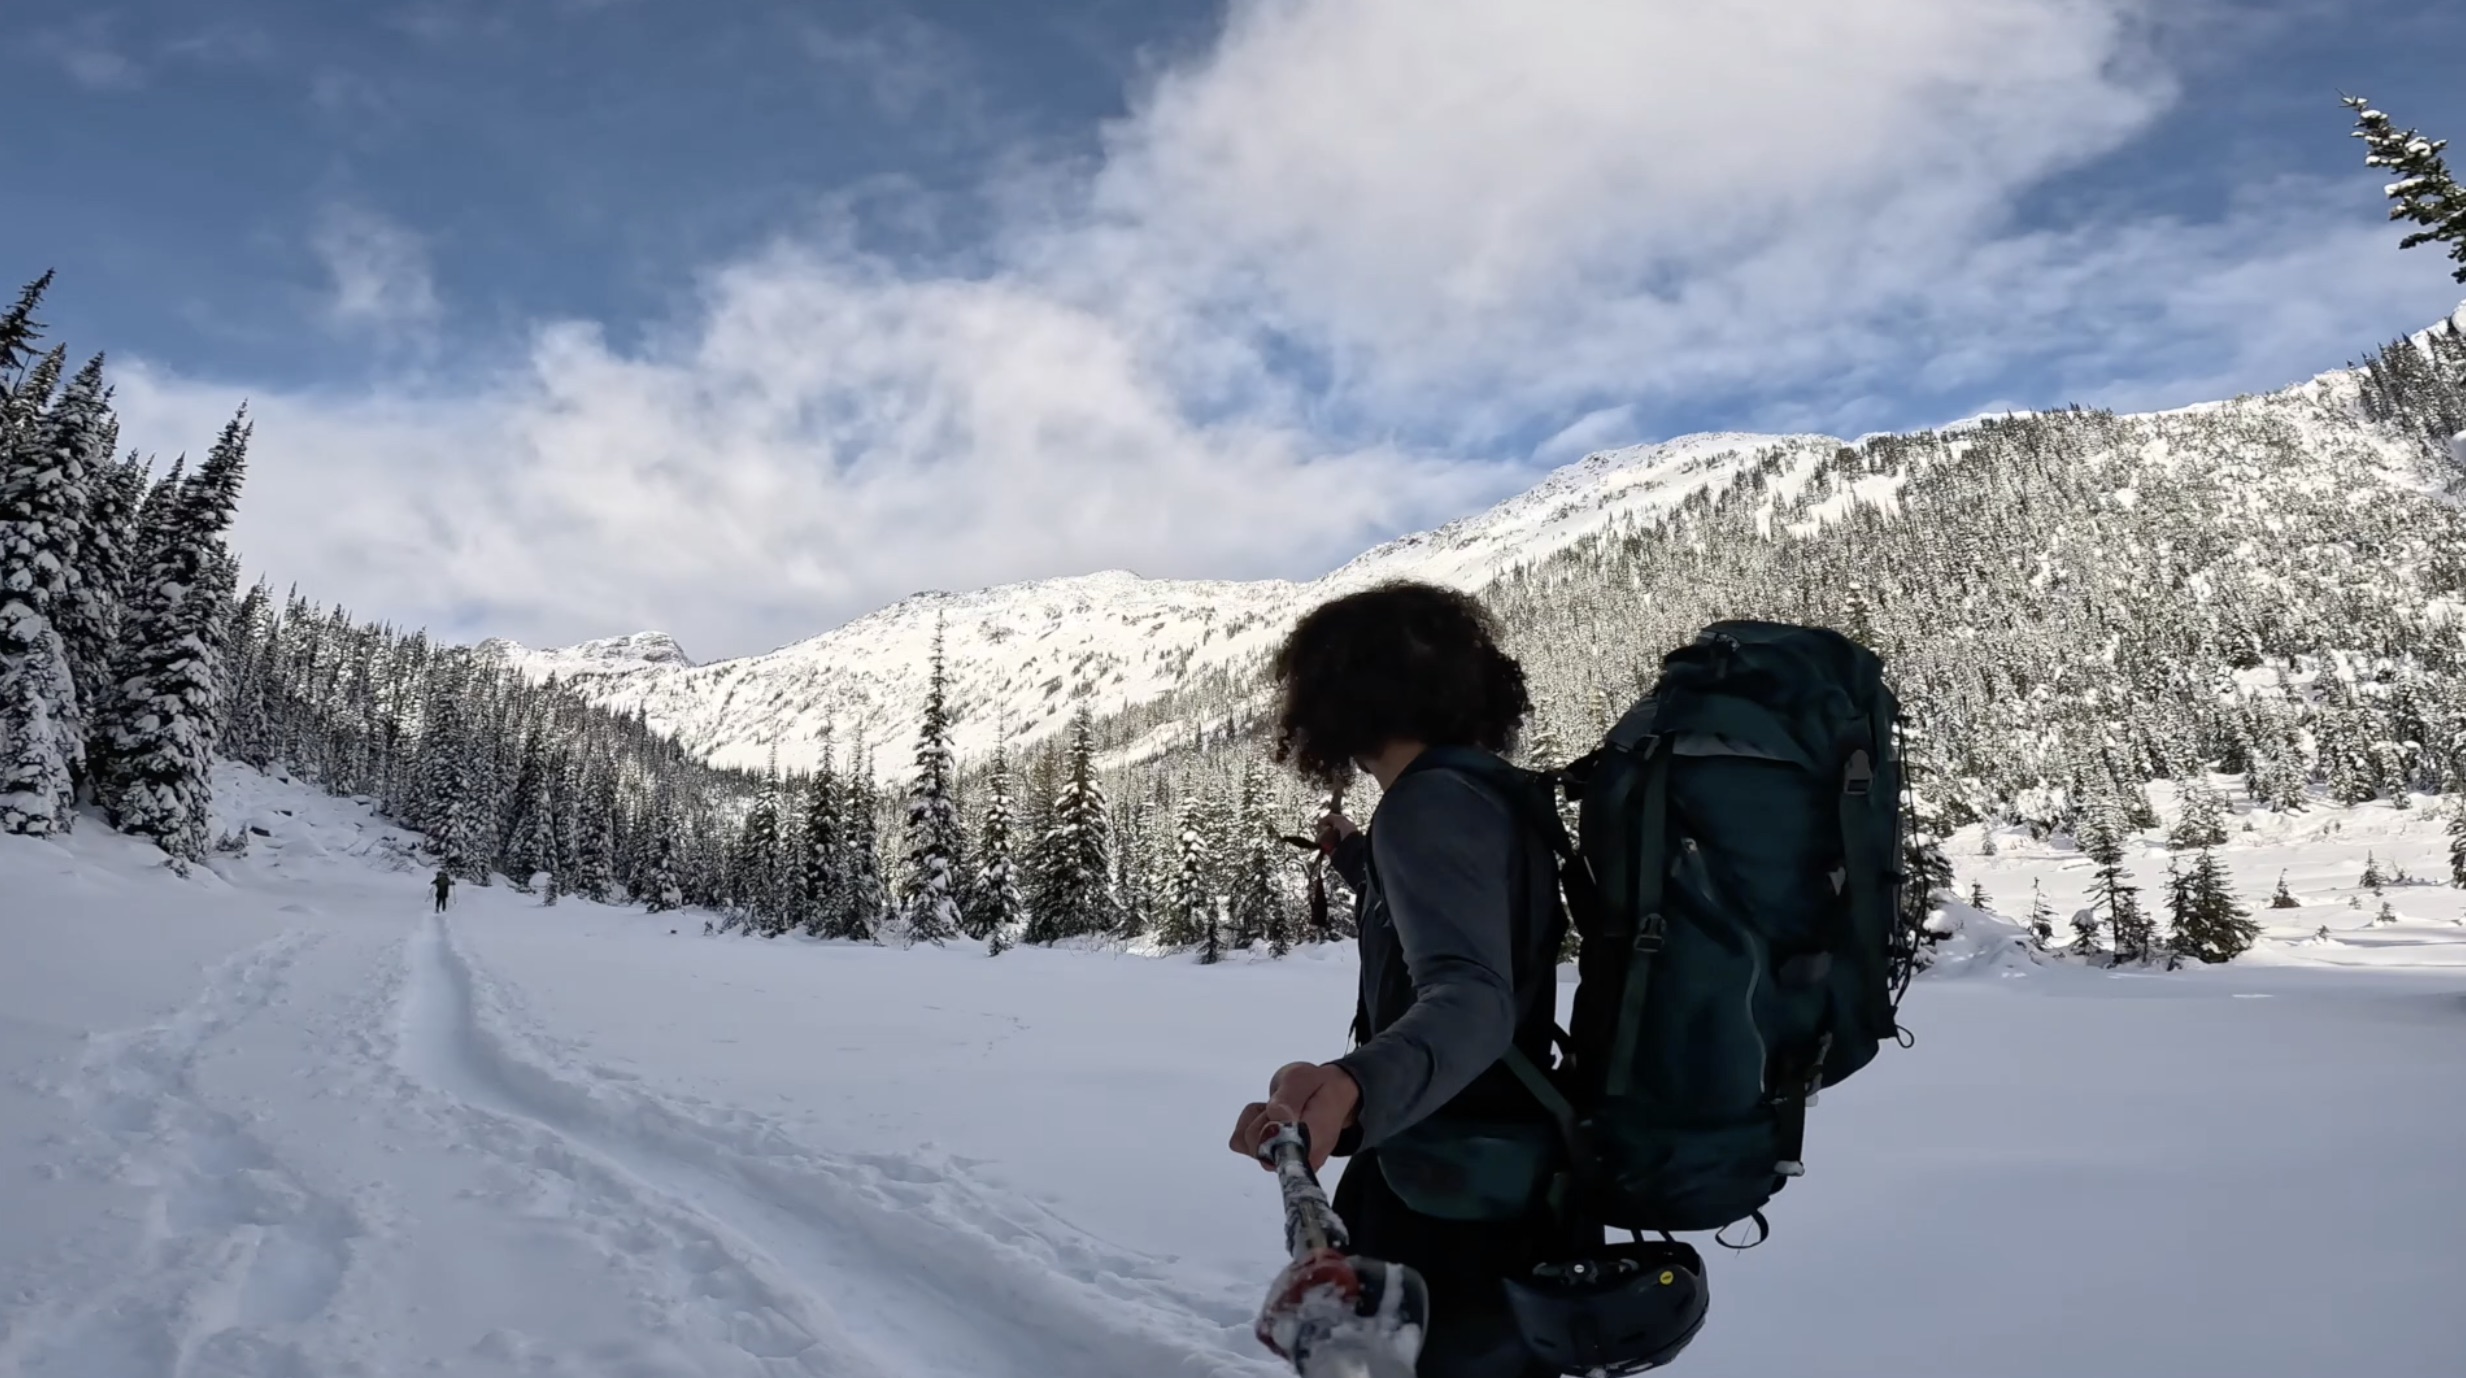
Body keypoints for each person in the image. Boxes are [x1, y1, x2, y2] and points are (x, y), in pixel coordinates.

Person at [1227, 581, 1574, 1378]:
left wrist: (1355, 1086)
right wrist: (1355, 857)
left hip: (1445, 1186)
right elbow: (1454, 917)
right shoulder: (1478, 792)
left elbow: (1473, 996)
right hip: (1502, 1169)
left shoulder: (1428, 808)